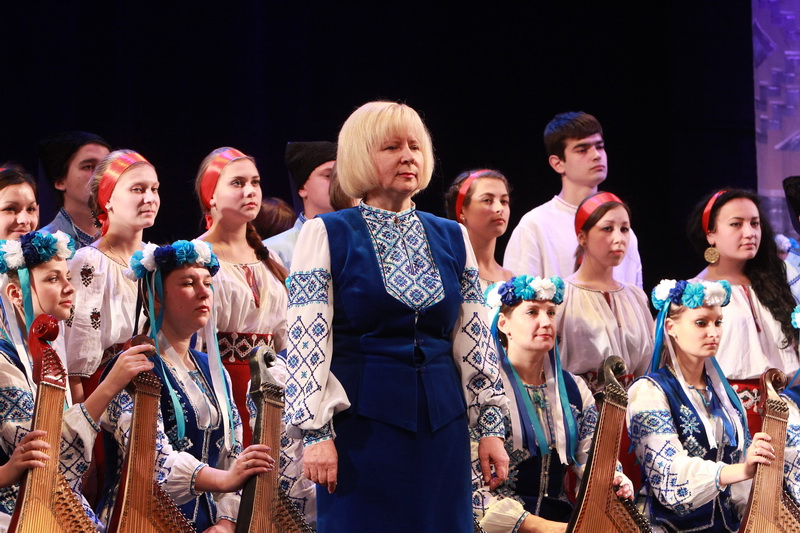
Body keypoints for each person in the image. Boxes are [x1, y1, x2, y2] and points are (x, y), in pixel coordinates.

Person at [284, 100, 509, 533]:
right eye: (391, 147)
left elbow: (474, 339)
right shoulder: (327, 233)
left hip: (442, 429)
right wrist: (315, 434)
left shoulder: (453, 236)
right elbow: (307, 341)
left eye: (414, 147)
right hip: (361, 432)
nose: (408, 157)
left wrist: (490, 428)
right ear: (360, 157)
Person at [99, 239, 274, 531]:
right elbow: (151, 461)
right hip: (141, 520)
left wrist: (226, 522)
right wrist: (226, 479)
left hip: (209, 523)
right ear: (156, 296)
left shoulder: (213, 369)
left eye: (208, 283)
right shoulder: (133, 367)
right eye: (188, 283)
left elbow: (231, 453)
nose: (204, 292)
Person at [0, 230, 154, 529]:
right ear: (16, 294)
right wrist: (110, 385)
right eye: (53, 279)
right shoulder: (5, 364)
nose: (69, 288)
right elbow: (47, 462)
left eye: (67, 277)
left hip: (60, 504)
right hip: (19, 512)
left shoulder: (48, 351)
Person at [474, 275, 632, 532]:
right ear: (503, 324)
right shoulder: (484, 391)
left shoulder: (574, 388)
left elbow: (592, 457)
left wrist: (613, 479)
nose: (546, 322)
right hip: (501, 524)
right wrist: (545, 528)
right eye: (532, 312)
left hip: (562, 520)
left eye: (550, 312)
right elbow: (470, 487)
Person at [628, 279, 774, 532]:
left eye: (718, 322)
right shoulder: (649, 392)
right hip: (669, 527)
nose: (713, 332)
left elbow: (741, 480)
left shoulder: (726, 396)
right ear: (671, 327)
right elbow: (668, 476)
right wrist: (741, 470)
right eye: (701, 323)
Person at [195, 146, 288, 447]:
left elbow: (283, 337)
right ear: (211, 195)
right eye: (237, 183)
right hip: (219, 385)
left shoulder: (269, 259)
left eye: (255, 182)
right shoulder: (196, 255)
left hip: (270, 389)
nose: (250, 191)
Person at [688, 189, 798, 433]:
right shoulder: (694, 294)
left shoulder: (774, 285)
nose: (749, 233)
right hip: (728, 421)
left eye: (755, 223)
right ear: (710, 234)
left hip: (787, 415)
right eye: (736, 224)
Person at [503, 111, 642, 288]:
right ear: (558, 163)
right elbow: (518, 296)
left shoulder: (622, 230)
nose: (596, 155)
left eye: (599, 147)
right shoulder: (535, 225)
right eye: (582, 150)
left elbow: (636, 295)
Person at [64, 149, 160, 404]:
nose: (149, 198)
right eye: (137, 189)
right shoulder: (90, 262)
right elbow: (76, 364)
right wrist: (82, 419)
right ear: (107, 199)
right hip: (104, 395)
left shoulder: (158, 260)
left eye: (154, 189)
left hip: (153, 391)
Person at [556, 192, 652, 391]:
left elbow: (647, 364)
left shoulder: (636, 297)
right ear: (582, 237)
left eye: (624, 229)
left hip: (633, 405)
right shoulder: (562, 296)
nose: (619, 238)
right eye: (607, 229)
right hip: (580, 405)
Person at [263, 141, 337, 270]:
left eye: (344, 176)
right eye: (328, 176)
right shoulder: (274, 250)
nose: (339, 182)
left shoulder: (361, 241)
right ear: (302, 188)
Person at [38, 131, 111, 248]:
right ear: (60, 181)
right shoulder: (41, 246)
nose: (102, 174)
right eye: (88, 167)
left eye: (107, 167)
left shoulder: (129, 242)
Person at [445, 169, 513, 291]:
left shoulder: (511, 280)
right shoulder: (449, 273)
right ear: (462, 211)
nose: (499, 208)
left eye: (504, 201)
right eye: (487, 200)